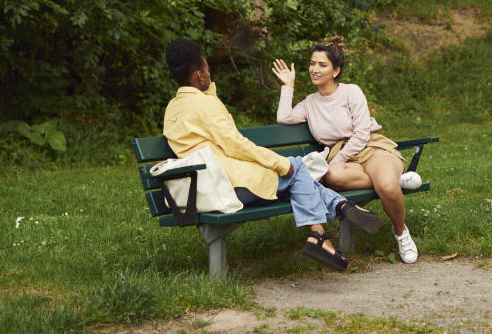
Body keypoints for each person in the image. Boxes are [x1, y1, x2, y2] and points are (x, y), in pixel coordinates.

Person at [163, 39, 382, 271]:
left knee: (296, 178)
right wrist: (277, 162)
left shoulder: (174, 107)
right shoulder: (205, 105)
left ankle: (325, 228)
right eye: (207, 70)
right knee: (295, 167)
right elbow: (236, 144)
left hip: (203, 184)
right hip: (228, 185)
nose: (210, 74)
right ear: (199, 75)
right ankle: (330, 218)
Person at [272, 36, 421, 264]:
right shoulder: (310, 103)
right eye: (312, 63)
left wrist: (337, 159)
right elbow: (283, 117)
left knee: (385, 186)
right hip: (342, 159)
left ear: (336, 70)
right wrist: (288, 85)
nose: (314, 69)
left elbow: (361, 134)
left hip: (370, 148)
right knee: (332, 175)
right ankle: (395, 179)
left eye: (322, 65)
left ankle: (400, 232)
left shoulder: (351, 92)